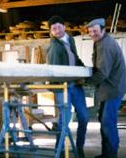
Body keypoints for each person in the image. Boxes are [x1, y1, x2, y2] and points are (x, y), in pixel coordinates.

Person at [85, 18, 126, 158]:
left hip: (113, 89)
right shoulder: (100, 41)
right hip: (110, 88)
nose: (92, 34)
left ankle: (111, 155)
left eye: (95, 31)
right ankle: (107, 153)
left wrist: (86, 82)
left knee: (108, 123)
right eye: (90, 31)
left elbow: (102, 73)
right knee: (104, 121)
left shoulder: (105, 45)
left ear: (103, 30)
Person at [47, 15, 89, 158]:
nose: (57, 30)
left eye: (59, 27)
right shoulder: (54, 47)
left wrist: (84, 71)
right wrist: (57, 87)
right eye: (54, 29)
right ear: (51, 32)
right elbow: (54, 71)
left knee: (84, 117)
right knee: (64, 119)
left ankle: (80, 147)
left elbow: (75, 58)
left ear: (64, 27)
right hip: (62, 87)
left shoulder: (70, 39)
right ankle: (57, 151)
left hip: (75, 86)